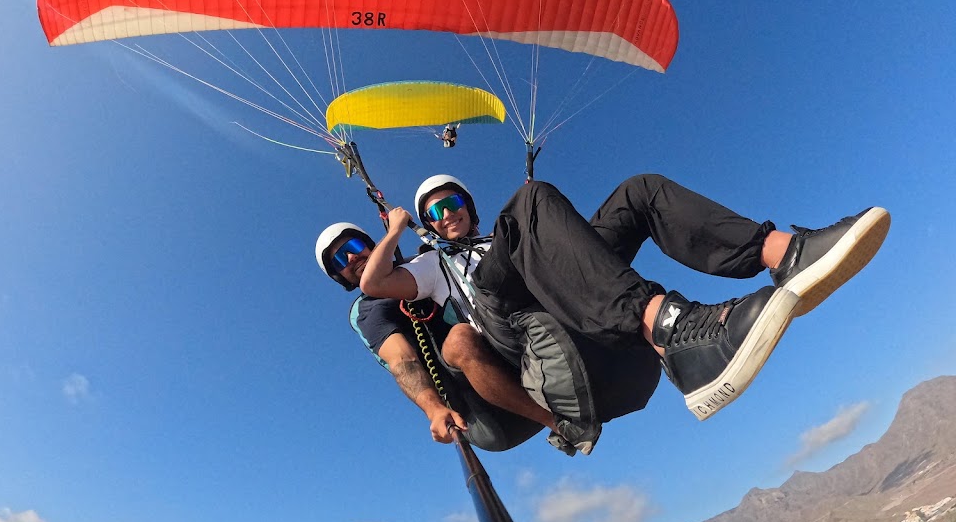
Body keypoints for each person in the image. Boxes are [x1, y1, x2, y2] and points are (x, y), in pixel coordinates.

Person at [359, 174, 890, 455]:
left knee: (638, 192)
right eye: (435, 210)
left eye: (452, 202)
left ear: (470, 207)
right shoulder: (430, 266)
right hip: (509, 327)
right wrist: (397, 231)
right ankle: (674, 329)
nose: (446, 214)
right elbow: (374, 282)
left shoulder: (503, 234)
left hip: (555, 294)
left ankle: (786, 254)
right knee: (529, 204)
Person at [314, 222, 544, 451]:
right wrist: (434, 409)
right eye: (340, 260)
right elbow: (403, 361)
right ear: (339, 276)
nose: (352, 257)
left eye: (353, 246)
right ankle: (560, 425)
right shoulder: (369, 311)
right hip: (486, 414)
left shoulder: (425, 264)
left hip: (515, 358)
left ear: (369, 245)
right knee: (460, 339)